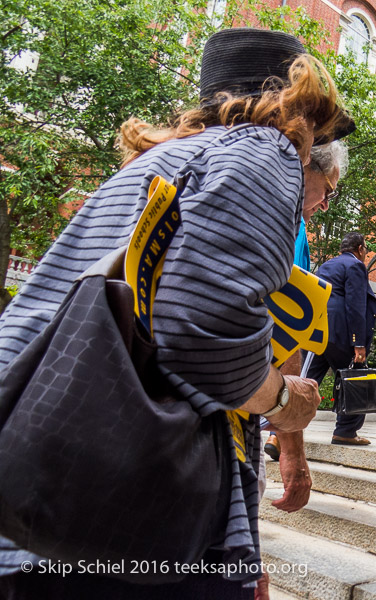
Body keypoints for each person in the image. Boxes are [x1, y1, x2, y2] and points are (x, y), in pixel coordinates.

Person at [0, 27, 354, 599]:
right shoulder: (266, 150)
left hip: (38, 476)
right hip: (117, 514)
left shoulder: (163, 157)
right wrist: (284, 402)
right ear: (299, 108)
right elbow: (203, 337)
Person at [263, 141, 349, 463]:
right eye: (328, 190)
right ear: (305, 164)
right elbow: (285, 321)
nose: (327, 204)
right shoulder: (289, 221)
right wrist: (294, 449)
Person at [306, 232, 376, 445]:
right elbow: (356, 306)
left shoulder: (328, 265)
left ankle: (278, 432)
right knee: (355, 376)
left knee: (307, 381)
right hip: (340, 334)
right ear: (360, 249)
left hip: (317, 332)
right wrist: (359, 343)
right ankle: (346, 431)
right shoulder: (355, 266)